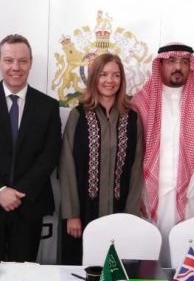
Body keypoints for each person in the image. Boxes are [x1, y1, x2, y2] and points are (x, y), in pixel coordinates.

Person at [0, 34, 60, 262]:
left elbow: (50, 154)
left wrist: (18, 192)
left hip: (29, 206)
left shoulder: (48, 105)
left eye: (22, 61)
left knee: (23, 274)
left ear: (30, 63)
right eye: (9, 60)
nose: (16, 67)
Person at [131, 43, 194, 266]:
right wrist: (135, 193)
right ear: (160, 65)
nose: (178, 67)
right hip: (149, 192)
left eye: (185, 62)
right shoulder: (140, 102)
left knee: (185, 257)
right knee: (150, 255)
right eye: (172, 61)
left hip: (191, 193)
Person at [59, 53, 144, 265]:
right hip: (83, 212)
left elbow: (136, 169)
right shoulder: (78, 115)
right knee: (79, 271)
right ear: (94, 78)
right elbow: (66, 165)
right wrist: (72, 214)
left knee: (116, 270)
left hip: (119, 211)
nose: (110, 80)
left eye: (116, 75)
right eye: (103, 74)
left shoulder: (132, 119)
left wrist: (130, 216)